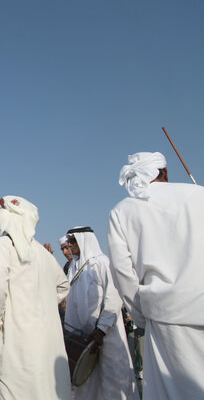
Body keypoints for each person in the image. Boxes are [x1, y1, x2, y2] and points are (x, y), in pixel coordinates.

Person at [107, 152, 204, 399]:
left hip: (165, 318)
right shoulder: (198, 194)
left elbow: (122, 273)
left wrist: (141, 315)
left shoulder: (122, 211)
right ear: (165, 172)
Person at [0, 196, 71, 400]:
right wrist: (40, 305)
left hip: (18, 340)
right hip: (48, 340)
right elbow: (63, 286)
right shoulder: (44, 254)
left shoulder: (1, 245)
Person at [64, 227, 138, 400]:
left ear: (85, 240)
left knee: (113, 383)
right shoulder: (74, 268)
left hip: (106, 336)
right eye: (69, 241)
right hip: (83, 340)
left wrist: (101, 329)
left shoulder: (103, 263)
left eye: (73, 241)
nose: (70, 245)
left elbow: (114, 297)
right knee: (87, 385)